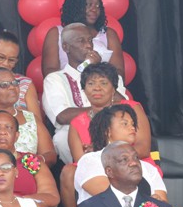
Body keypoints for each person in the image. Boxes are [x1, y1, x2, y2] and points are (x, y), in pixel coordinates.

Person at [61, 105, 168, 207]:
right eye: (125, 124)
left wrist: (157, 205)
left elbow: (162, 203)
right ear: (107, 131)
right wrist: (149, 203)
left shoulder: (148, 168)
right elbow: (111, 197)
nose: (132, 127)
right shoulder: (91, 161)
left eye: (133, 124)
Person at [42, 23, 127, 164]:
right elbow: (62, 116)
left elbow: (125, 105)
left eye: (90, 40)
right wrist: (103, 110)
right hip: (76, 133)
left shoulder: (112, 77)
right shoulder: (55, 79)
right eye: (81, 41)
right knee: (61, 138)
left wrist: (96, 71)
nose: (88, 46)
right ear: (65, 47)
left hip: (111, 128)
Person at [0, 67, 56, 167]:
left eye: (15, 83)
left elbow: (50, 154)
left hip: (30, 170)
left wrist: (27, 166)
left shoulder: (31, 118)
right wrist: (12, 166)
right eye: (4, 85)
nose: (12, 87)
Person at [42, 0, 124, 78]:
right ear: (76, 5)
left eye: (98, 5)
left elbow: (119, 73)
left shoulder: (109, 34)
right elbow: (49, 72)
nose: (94, 9)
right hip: (66, 91)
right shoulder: (56, 34)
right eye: (89, 5)